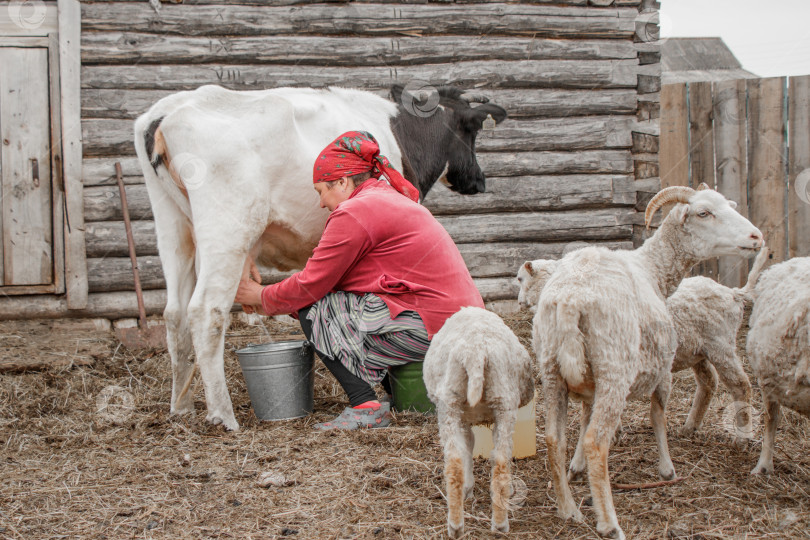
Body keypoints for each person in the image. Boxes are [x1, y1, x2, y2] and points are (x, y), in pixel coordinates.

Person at [235, 131, 484, 430]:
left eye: (320, 191)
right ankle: (399, 394)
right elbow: (336, 286)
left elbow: (311, 286)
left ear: (342, 182)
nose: (321, 203)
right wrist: (270, 302)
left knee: (315, 310)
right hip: (464, 324)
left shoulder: (355, 211)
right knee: (333, 306)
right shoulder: (386, 199)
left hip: (436, 326)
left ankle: (365, 405)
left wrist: (259, 296)